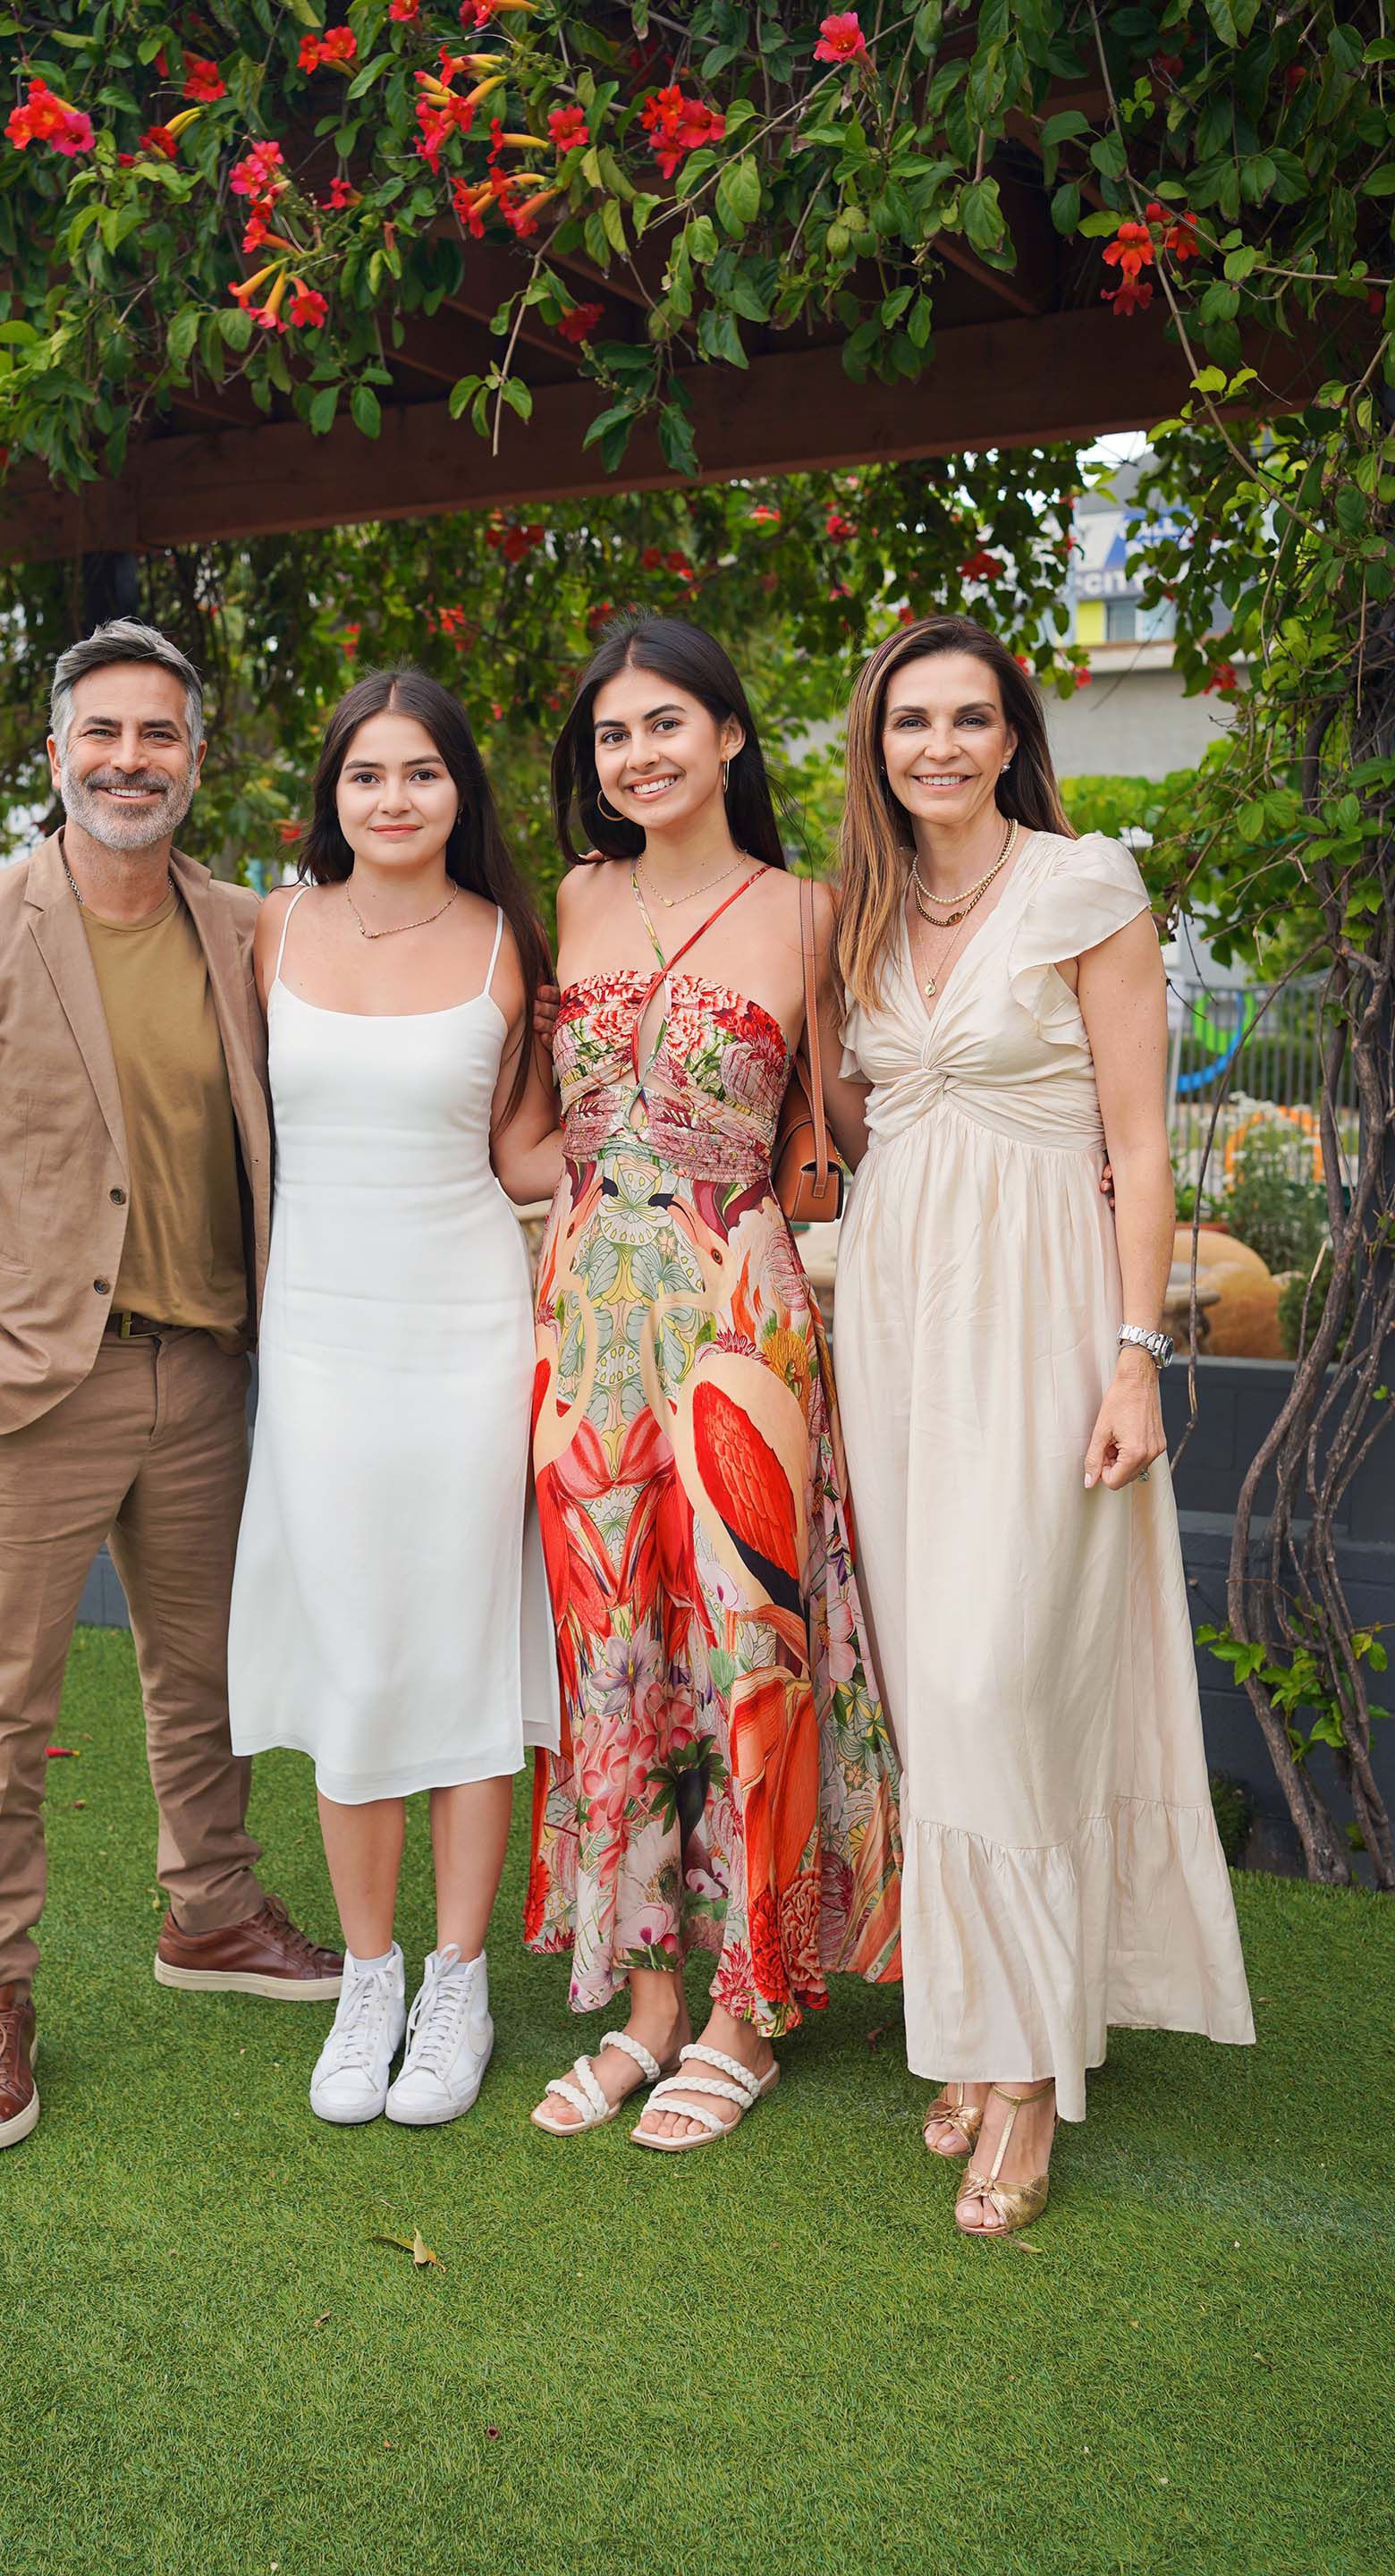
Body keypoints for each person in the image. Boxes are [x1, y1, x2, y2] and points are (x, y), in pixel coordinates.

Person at [0, 617, 342, 2156]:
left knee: (206, 1680)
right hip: (30, 1392)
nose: (130, 760)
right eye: (104, 733)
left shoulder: (247, 928)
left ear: (196, 762)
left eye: (160, 736)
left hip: (204, 1376)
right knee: (1, 1711)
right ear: (56, 751)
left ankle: (210, 1911)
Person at [827, 613, 1255, 2236]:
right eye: (909, 720)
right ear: (878, 745)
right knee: (938, 1682)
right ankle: (986, 2017)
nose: (937, 744)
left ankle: (1022, 2086)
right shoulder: (867, 912)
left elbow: (1139, 1151)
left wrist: (1135, 1357)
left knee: (1002, 1671)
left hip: (1047, 1320)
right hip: (896, 1317)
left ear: (1014, 738)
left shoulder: (1087, 887)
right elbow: (870, 1125)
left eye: (969, 718)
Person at [524, 614, 901, 2152]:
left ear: (731, 737)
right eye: (614, 736)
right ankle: (651, 2001)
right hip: (582, 1324)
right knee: (611, 1655)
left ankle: (751, 2002)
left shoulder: (807, 909)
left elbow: (859, 1117)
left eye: (667, 724)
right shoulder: (572, 897)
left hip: (743, 1309)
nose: (639, 756)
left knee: (749, 1648)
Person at [228, 669, 561, 2128]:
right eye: (368, 773)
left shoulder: (508, 943)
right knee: (356, 1650)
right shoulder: (272, 930)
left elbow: (527, 1156)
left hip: (469, 1331)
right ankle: (369, 1976)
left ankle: (459, 1980)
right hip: (317, 1336)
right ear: (333, 795)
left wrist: (665, 1131)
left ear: (460, 794)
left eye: (422, 772)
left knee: (464, 1653)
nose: (394, 798)